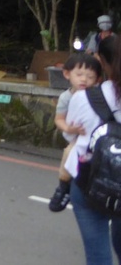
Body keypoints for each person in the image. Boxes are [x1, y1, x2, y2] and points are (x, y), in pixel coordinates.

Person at [64, 42, 121, 264]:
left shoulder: (85, 97)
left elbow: (69, 136)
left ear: (101, 61)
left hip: (90, 181)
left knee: (98, 253)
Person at [48, 52, 102, 211]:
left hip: (97, 136)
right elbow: (59, 119)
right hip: (78, 136)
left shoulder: (98, 95)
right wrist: (69, 128)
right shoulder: (66, 97)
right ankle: (63, 187)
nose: (84, 80)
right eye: (79, 75)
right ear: (67, 74)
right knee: (68, 153)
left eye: (90, 77)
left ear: (98, 79)